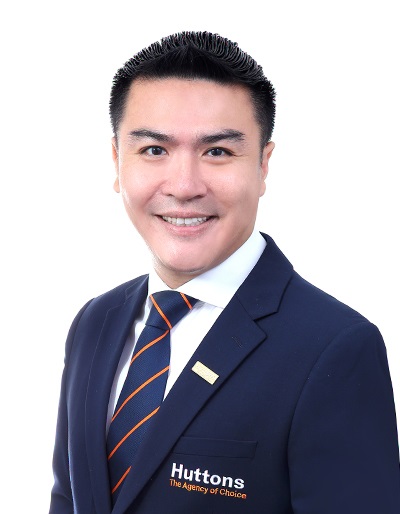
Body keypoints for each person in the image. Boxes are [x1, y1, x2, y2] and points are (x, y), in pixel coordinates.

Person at [49, 31, 400, 514]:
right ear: (117, 160)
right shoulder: (96, 321)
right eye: (154, 150)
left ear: (263, 166)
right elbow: (69, 497)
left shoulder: (336, 349)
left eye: (217, 151)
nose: (184, 186)